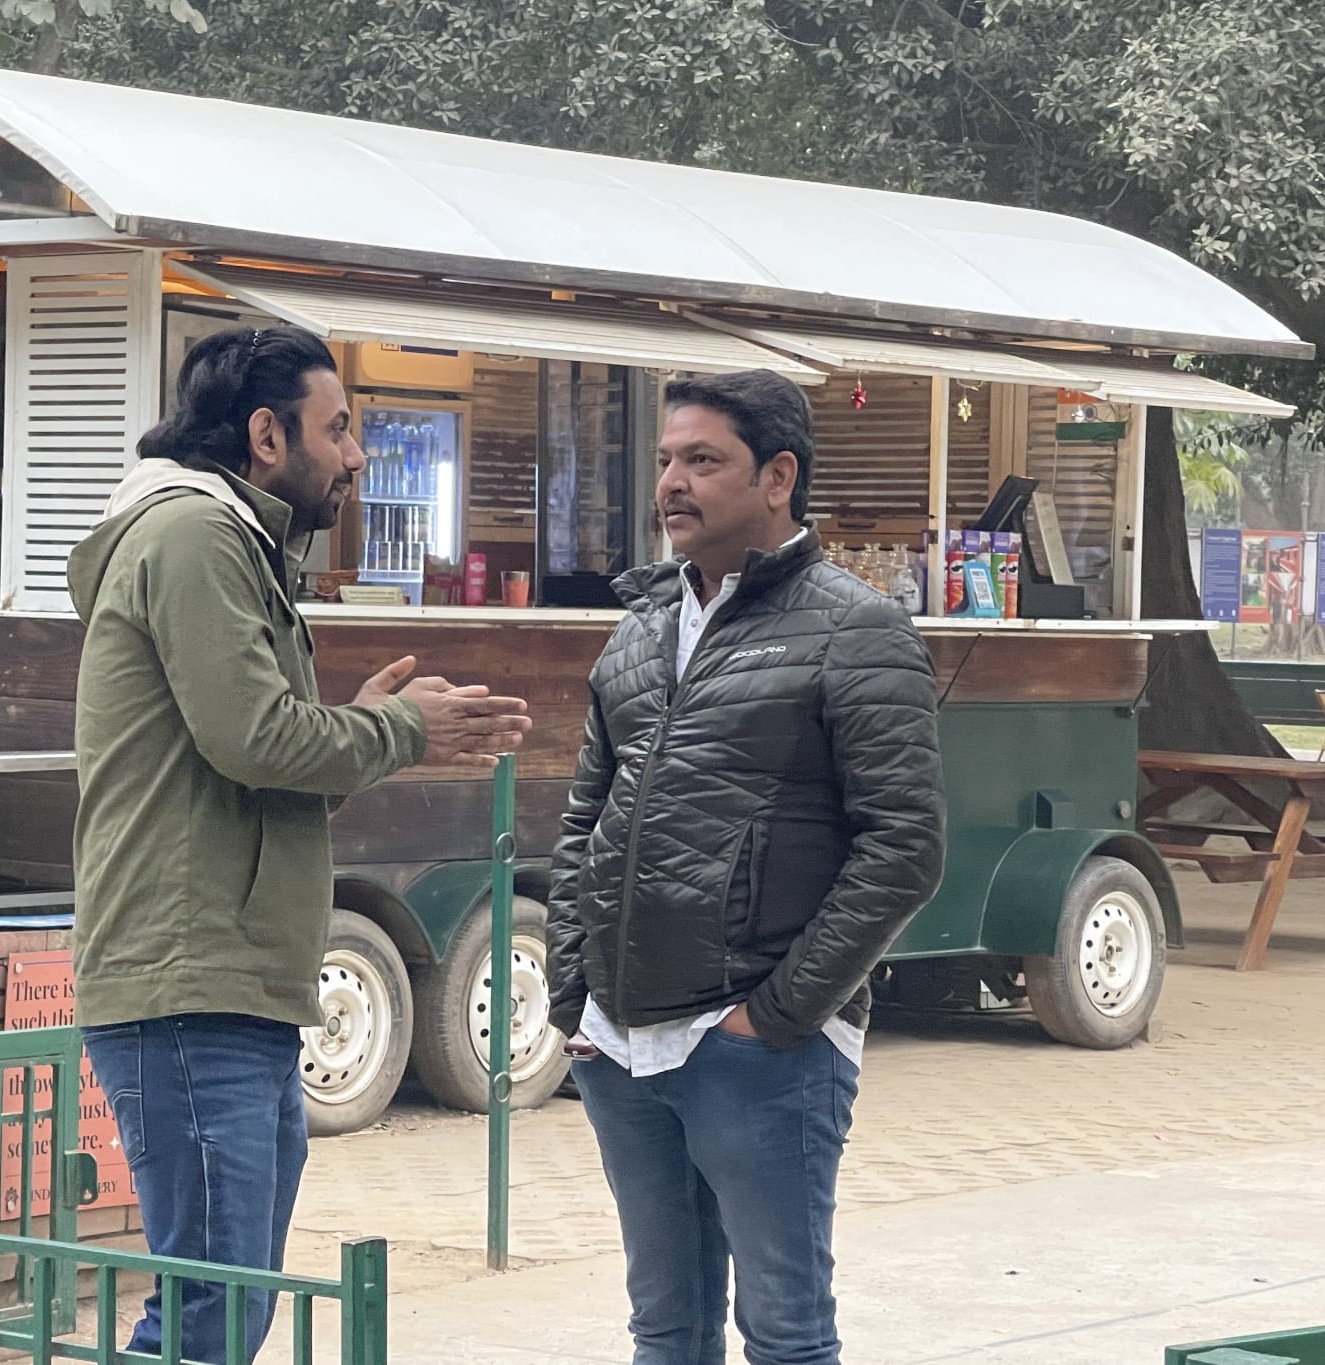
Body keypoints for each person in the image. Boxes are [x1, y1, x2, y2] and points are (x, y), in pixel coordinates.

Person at [67, 324, 533, 1363]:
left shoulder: (227, 536)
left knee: (225, 1305)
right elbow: (256, 739)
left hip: (232, 979)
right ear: (266, 436)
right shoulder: (194, 534)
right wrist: (401, 728)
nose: (356, 455)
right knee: (210, 1309)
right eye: (339, 429)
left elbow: (256, 762)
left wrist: (363, 727)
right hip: (190, 981)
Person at [546, 369, 945, 1365]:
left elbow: (903, 843)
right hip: (618, 1044)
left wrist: (774, 1016)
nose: (670, 483)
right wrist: (572, 993)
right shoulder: (637, 629)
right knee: (664, 1330)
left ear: (777, 477)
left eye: (702, 460)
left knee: (785, 1335)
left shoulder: (856, 629)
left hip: (756, 1051)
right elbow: (583, 819)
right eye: (666, 460)